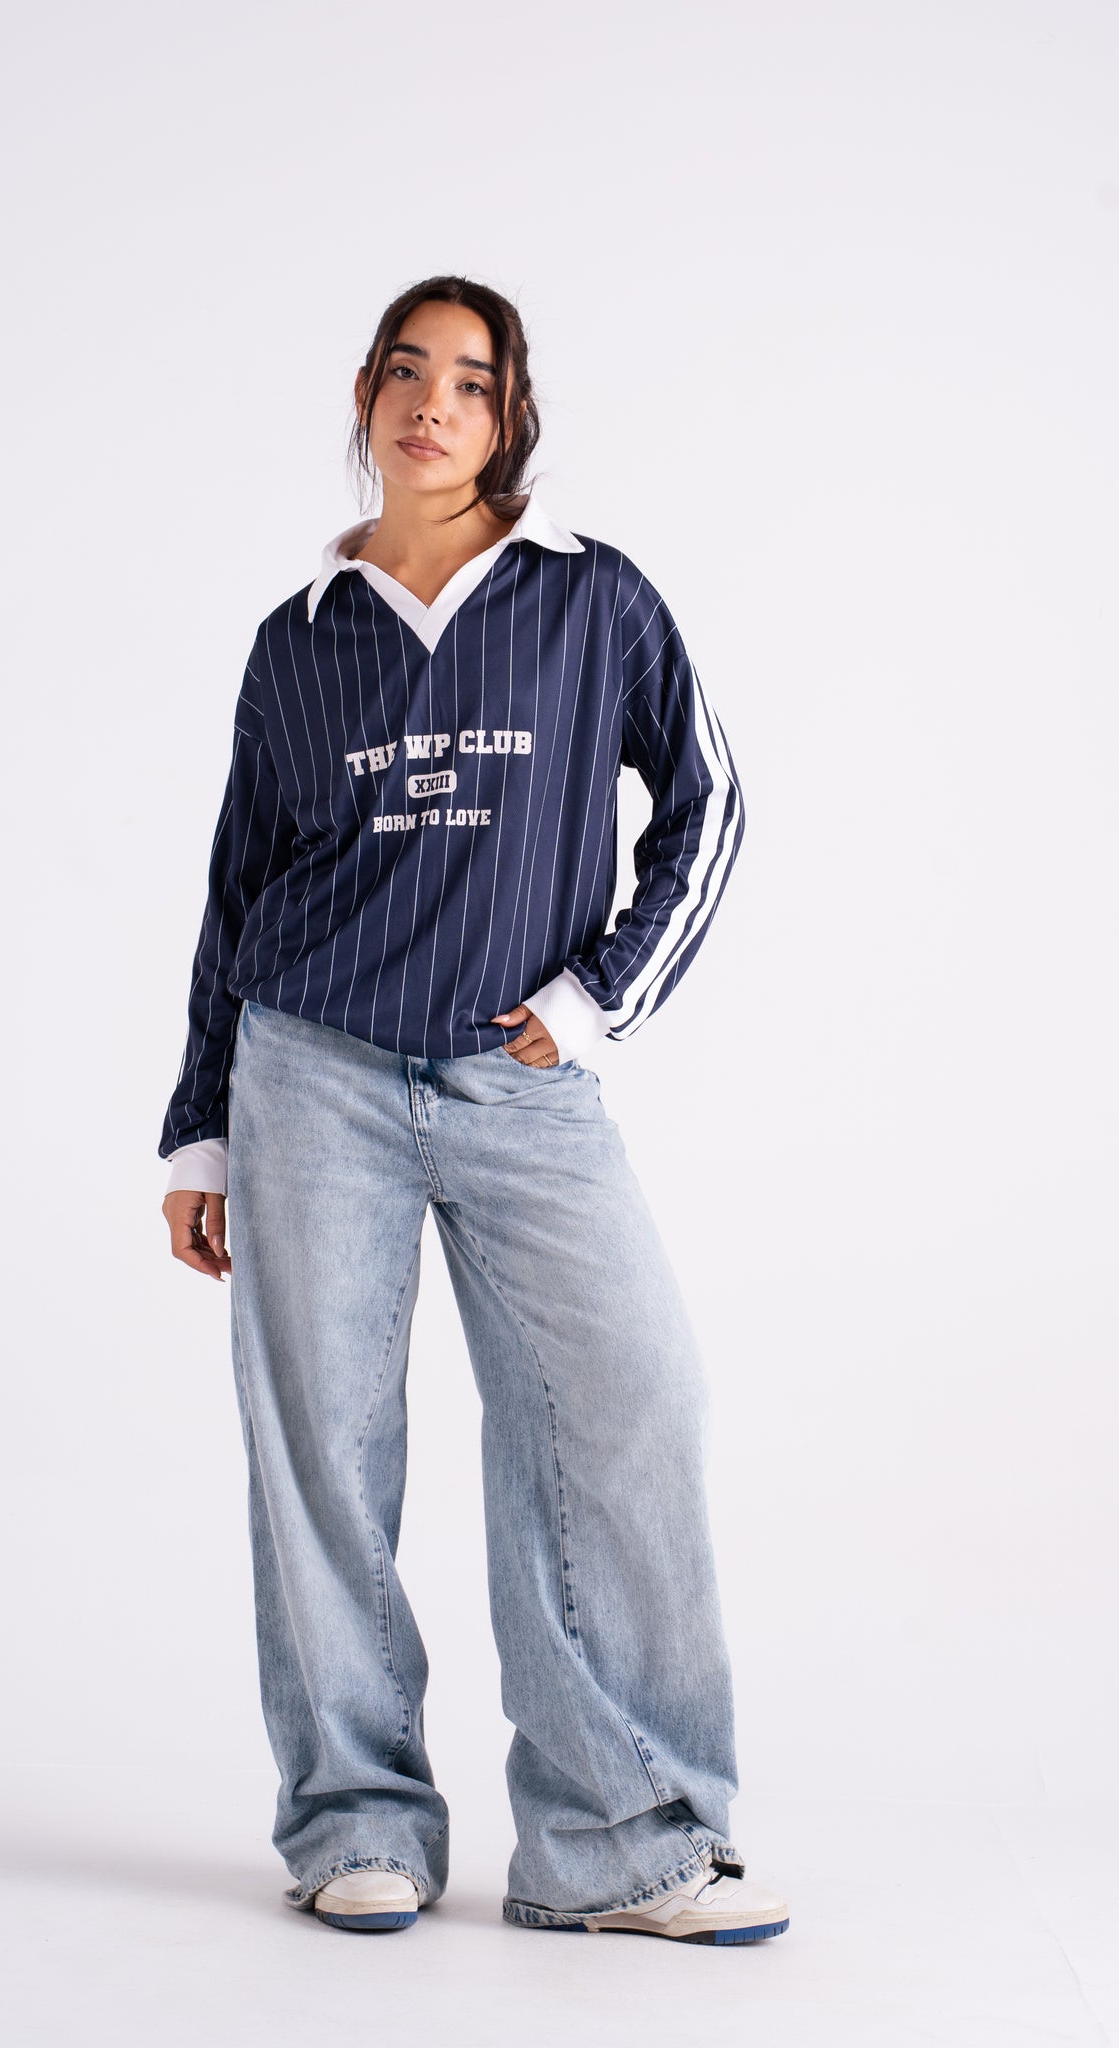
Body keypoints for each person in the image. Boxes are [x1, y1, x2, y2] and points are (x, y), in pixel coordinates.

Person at [159, 274, 790, 1944]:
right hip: (308, 1074)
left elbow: (710, 802)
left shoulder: (588, 595)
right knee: (324, 1450)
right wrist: (199, 1125)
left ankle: (621, 1847)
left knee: (628, 1406)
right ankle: (353, 1820)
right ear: (367, 398)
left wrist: (594, 1000)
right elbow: (236, 894)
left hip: (521, 1085)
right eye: (405, 370)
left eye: (470, 379)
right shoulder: (299, 639)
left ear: (509, 417)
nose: (431, 401)